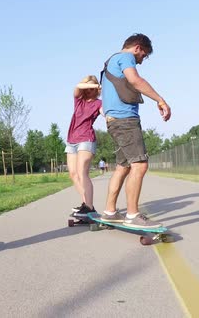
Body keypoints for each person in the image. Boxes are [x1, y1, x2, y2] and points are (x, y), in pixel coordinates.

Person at [100, 33, 171, 228]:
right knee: (139, 165)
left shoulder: (110, 62)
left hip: (115, 120)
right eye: (144, 56)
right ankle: (132, 215)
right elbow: (135, 80)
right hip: (125, 121)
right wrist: (160, 99)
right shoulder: (125, 57)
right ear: (138, 48)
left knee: (123, 167)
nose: (141, 61)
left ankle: (110, 212)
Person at [66, 75, 103, 217]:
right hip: (71, 140)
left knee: (82, 173)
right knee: (73, 174)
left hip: (86, 139)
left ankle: (89, 206)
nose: (88, 90)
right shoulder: (79, 100)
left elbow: (104, 113)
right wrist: (88, 82)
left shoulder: (99, 103)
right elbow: (77, 88)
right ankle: (86, 205)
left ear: (97, 89)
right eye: (86, 88)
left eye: (91, 88)